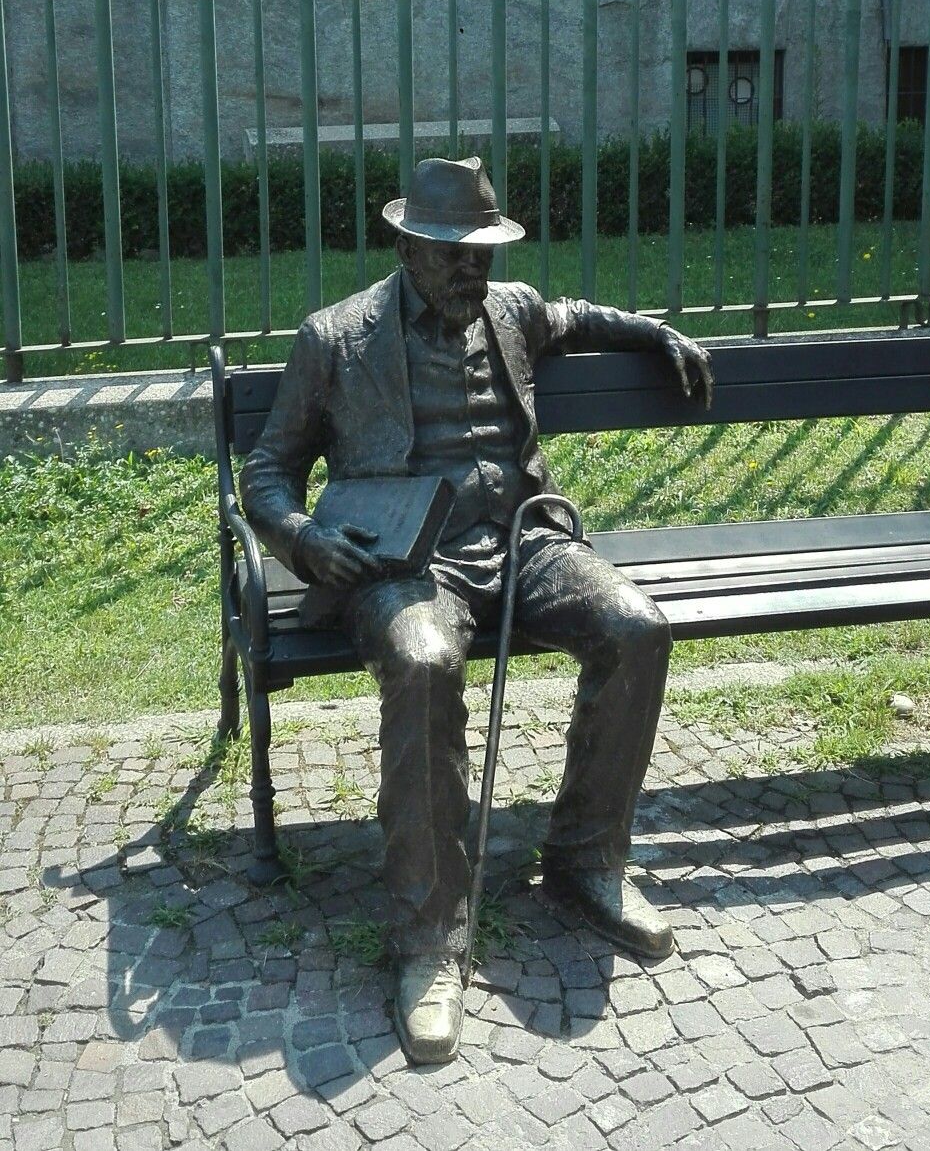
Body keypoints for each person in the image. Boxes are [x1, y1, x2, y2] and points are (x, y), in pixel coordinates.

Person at [240, 156, 713, 1064]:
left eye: (485, 251)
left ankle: (587, 865)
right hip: (407, 561)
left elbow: (575, 317)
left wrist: (653, 333)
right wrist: (302, 540)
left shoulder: (509, 306)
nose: (475, 269)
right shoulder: (337, 338)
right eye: (456, 253)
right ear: (410, 244)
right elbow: (268, 470)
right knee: (421, 661)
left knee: (636, 627)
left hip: (526, 538)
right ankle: (428, 942)